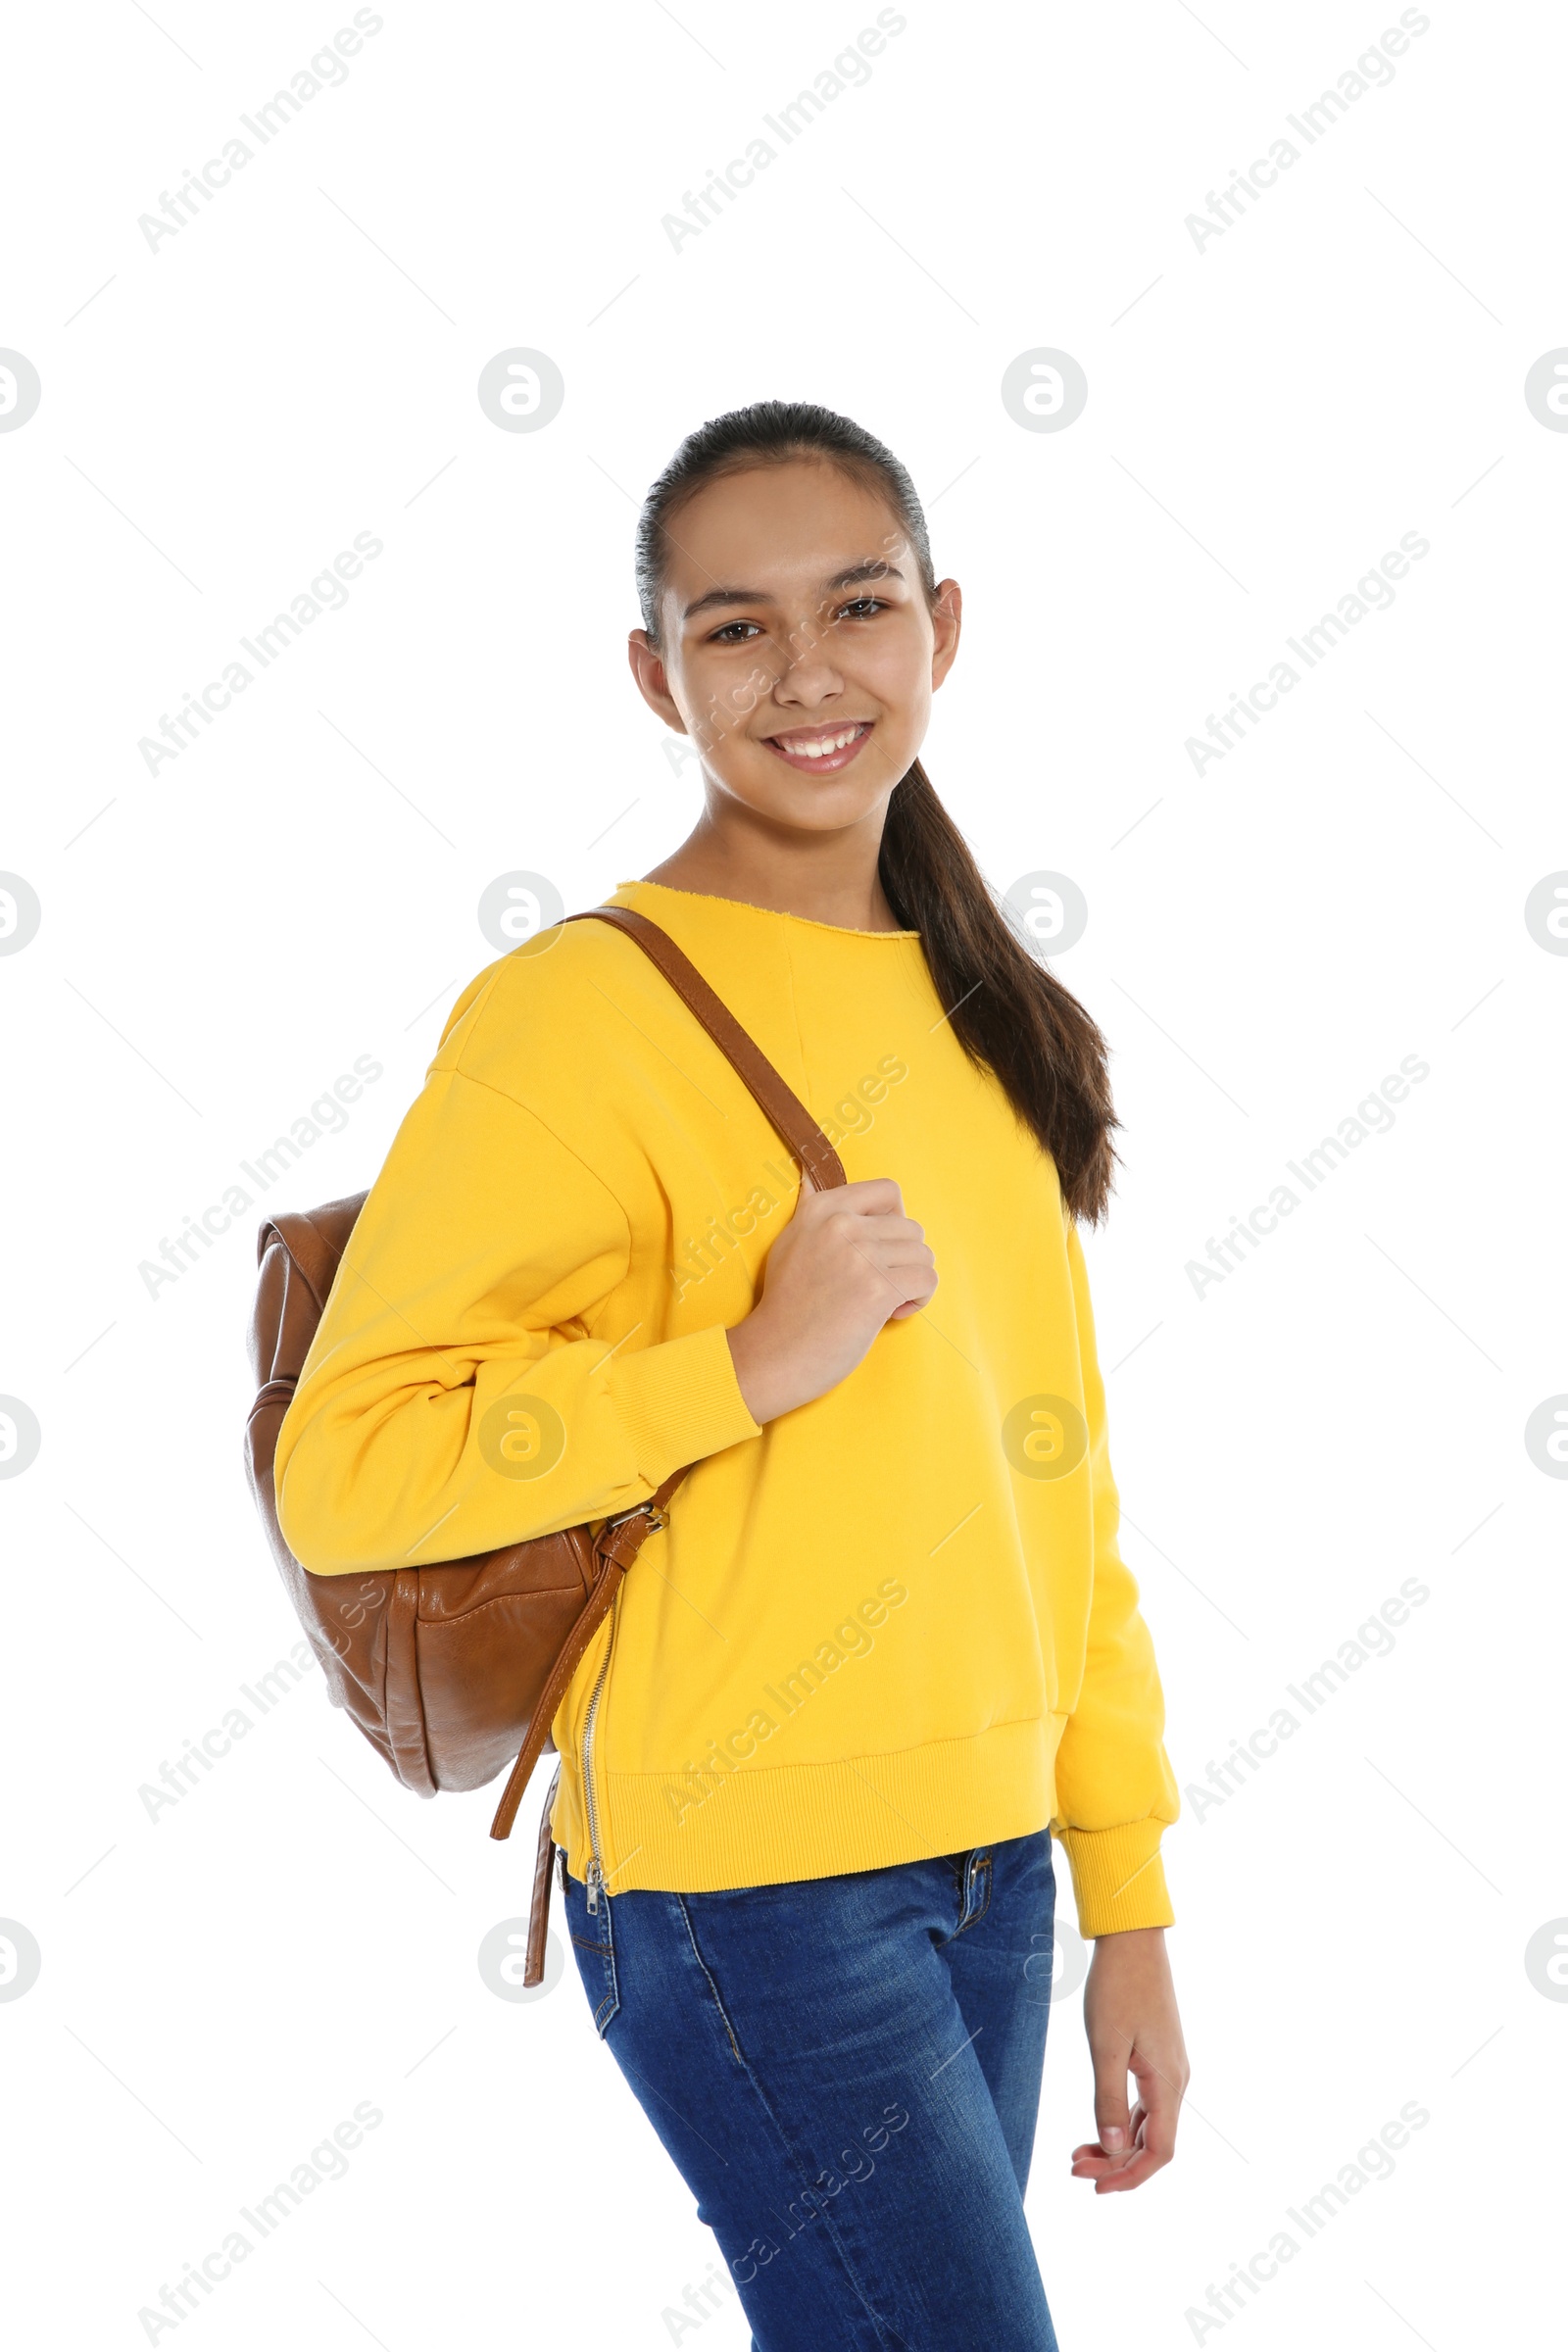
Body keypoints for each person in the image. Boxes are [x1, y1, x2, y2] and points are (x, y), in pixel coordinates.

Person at [273, 400, 1188, 2349]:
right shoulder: (572, 1016)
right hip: (754, 1887)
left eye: (854, 606)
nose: (806, 676)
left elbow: (1063, 1484)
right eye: (732, 628)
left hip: (990, 1863)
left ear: (941, 624)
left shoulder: (979, 1005)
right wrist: (743, 1364)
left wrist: (1124, 1890)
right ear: (651, 673)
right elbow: (349, 1466)